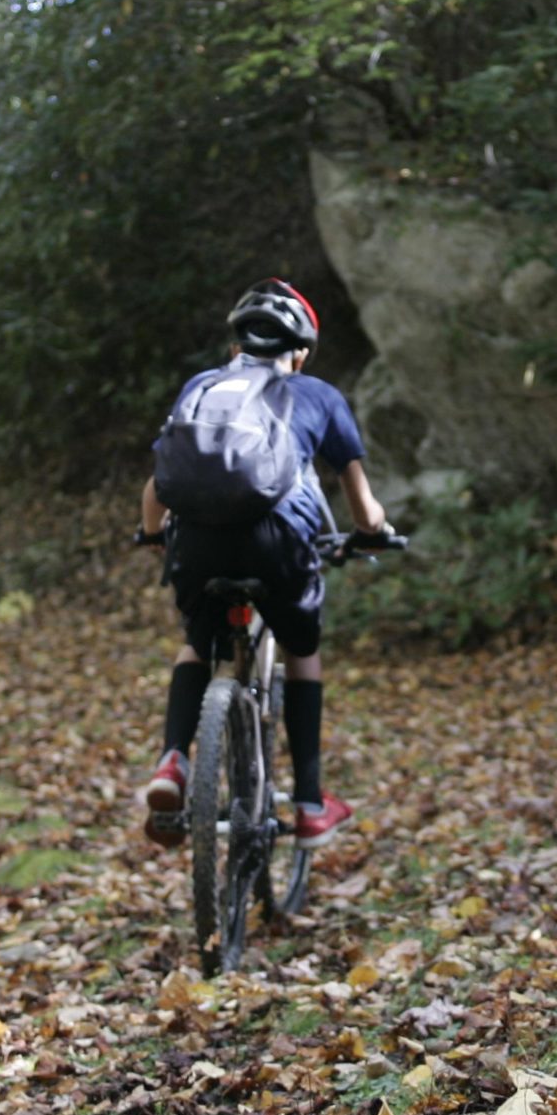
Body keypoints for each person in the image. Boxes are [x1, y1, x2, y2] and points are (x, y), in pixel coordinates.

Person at [138, 279, 393, 849]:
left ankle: (173, 760)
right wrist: (373, 534)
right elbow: (362, 503)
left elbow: (159, 483)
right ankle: (308, 802)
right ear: (299, 353)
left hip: (198, 544)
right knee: (302, 651)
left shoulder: (203, 387)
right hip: (280, 544)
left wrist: (154, 536)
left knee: (196, 641)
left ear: (236, 349)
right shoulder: (318, 395)